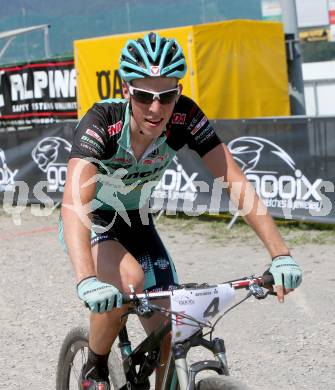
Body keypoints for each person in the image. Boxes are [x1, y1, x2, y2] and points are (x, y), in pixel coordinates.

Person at [60, 31, 302, 390]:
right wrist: (86, 279)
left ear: (178, 92)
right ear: (127, 90)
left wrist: (280, 255)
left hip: (138, 220)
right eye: (144, 95)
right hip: (94, 221)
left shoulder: (185, 117)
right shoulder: (103, 122)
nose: (156, 109)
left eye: (167, 95)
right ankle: (94, 368)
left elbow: (234, 179)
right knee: (129, 282)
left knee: (175, 326)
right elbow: (74, 203)